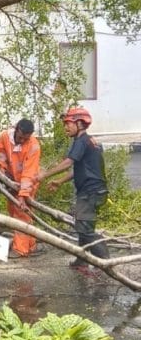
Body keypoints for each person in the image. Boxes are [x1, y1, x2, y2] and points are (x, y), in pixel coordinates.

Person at [36, 107, 110, 272]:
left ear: (80, 124)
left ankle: (106, 263)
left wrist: (44, 175)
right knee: (83, 225)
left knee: (85, 229)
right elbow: (79, 169)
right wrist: (60, 181)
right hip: (94, 191)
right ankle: (81, 260)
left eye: (68, 123)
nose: (65, 127)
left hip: (90, 192)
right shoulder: (89, 141)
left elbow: (68, 163)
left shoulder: (81, 141)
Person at [0, 119, 42, 258]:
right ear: (16, 130)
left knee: (21, 214)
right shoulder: (5, 136)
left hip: (28, 184)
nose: (22, 141)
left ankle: (20, 249)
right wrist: (2, 169)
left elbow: (29, 172)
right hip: (12, 181)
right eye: (20, 137)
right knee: (15, 211)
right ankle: (31, 245)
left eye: (25, 139)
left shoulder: (33, 146)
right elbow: (1, 153)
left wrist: (23, 195)